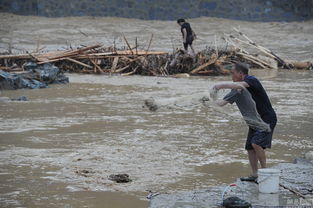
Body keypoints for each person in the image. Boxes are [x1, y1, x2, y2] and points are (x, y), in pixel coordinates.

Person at [212, 63, 277, 182]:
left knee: (256, 143)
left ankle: (265, 173)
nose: (231, 75)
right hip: (253, 120)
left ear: (241, 74)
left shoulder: (251, 80)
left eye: (233, 73)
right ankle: (255, 174)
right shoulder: (236, 90)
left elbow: (241, 85)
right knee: (250, 147)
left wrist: (219, 85)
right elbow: (222, 102)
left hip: (267, 118)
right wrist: (206, 101)